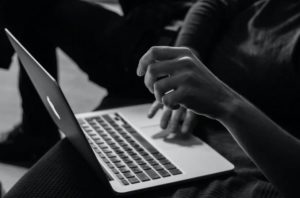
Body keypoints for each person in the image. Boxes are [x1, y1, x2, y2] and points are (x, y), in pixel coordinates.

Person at [136, 0, 300, 197]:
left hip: (240, 157)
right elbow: (212, 4)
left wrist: (226, 103)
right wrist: (185, 63)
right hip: (192, 117)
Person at [0, 0, 194, 165]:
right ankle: (36, 134)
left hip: (160, 48)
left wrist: (185, 68)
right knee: (29, 8)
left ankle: (36, 135)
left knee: (26, 5)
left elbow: (209, 7)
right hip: (159, 32)